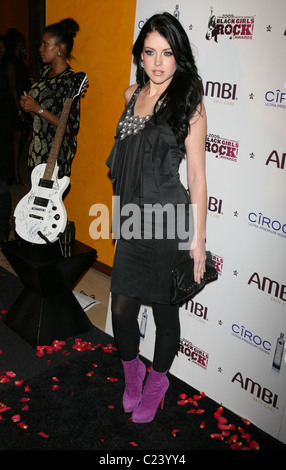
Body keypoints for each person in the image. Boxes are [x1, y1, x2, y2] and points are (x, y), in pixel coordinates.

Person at [106, 12, 207, 423]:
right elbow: (124, 169)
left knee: (166, 314)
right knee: (121, 312)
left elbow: (198, 177)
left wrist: (197, 241)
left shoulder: (189, 104)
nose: (158, 62)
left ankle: (158, 381)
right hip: (131, 217)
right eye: (150, 52)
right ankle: (133, 376)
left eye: (167, 52)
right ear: (140, 55)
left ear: (177, 56)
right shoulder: (130, 93)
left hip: (169, 221)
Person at [19, 18, 81, 181]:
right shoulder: (44, 73)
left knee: (51, 204)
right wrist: (28, 107)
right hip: (37, 150)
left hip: (55, 155)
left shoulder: (70, 81)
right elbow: (39, 113)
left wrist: (37, 108)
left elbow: (70, 127)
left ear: (60, 48)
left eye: (45, 44)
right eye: (41, 44)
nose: (40, 49)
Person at [5, 28, 32, 185]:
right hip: (15, 105)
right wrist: (18, 109)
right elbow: (12, 87)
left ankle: (16, 170)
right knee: (16, 138)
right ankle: (14, 172)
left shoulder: (20, 60)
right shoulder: (10, 63)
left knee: (22, 136)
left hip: (24, 102)